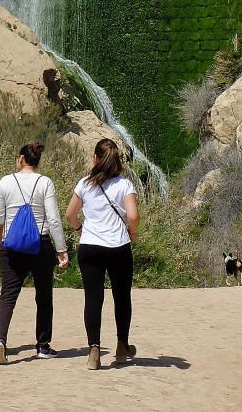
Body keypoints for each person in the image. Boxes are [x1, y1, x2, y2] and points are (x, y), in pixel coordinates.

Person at [65, 138, 141, 370]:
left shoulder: (84, 184)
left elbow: (70, 215)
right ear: (117, 161)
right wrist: (132, 232)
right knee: (122, 297)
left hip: (90, 247)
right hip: (118, 246)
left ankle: (94, 351)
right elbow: (134, 216)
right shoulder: (124, 185)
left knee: (93, 299)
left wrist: (80, 230)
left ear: (95, 159)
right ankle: (121, 346)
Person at [0, 142, 69, 364]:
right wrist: (61, 249)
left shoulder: (6, 181)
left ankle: (0, 341)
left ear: (21, 158)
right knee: (44, 296)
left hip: (11, 246)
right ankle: (43, 346)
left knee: (8, 294)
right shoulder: (45, 182)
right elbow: (53, 219)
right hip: (40, 245)